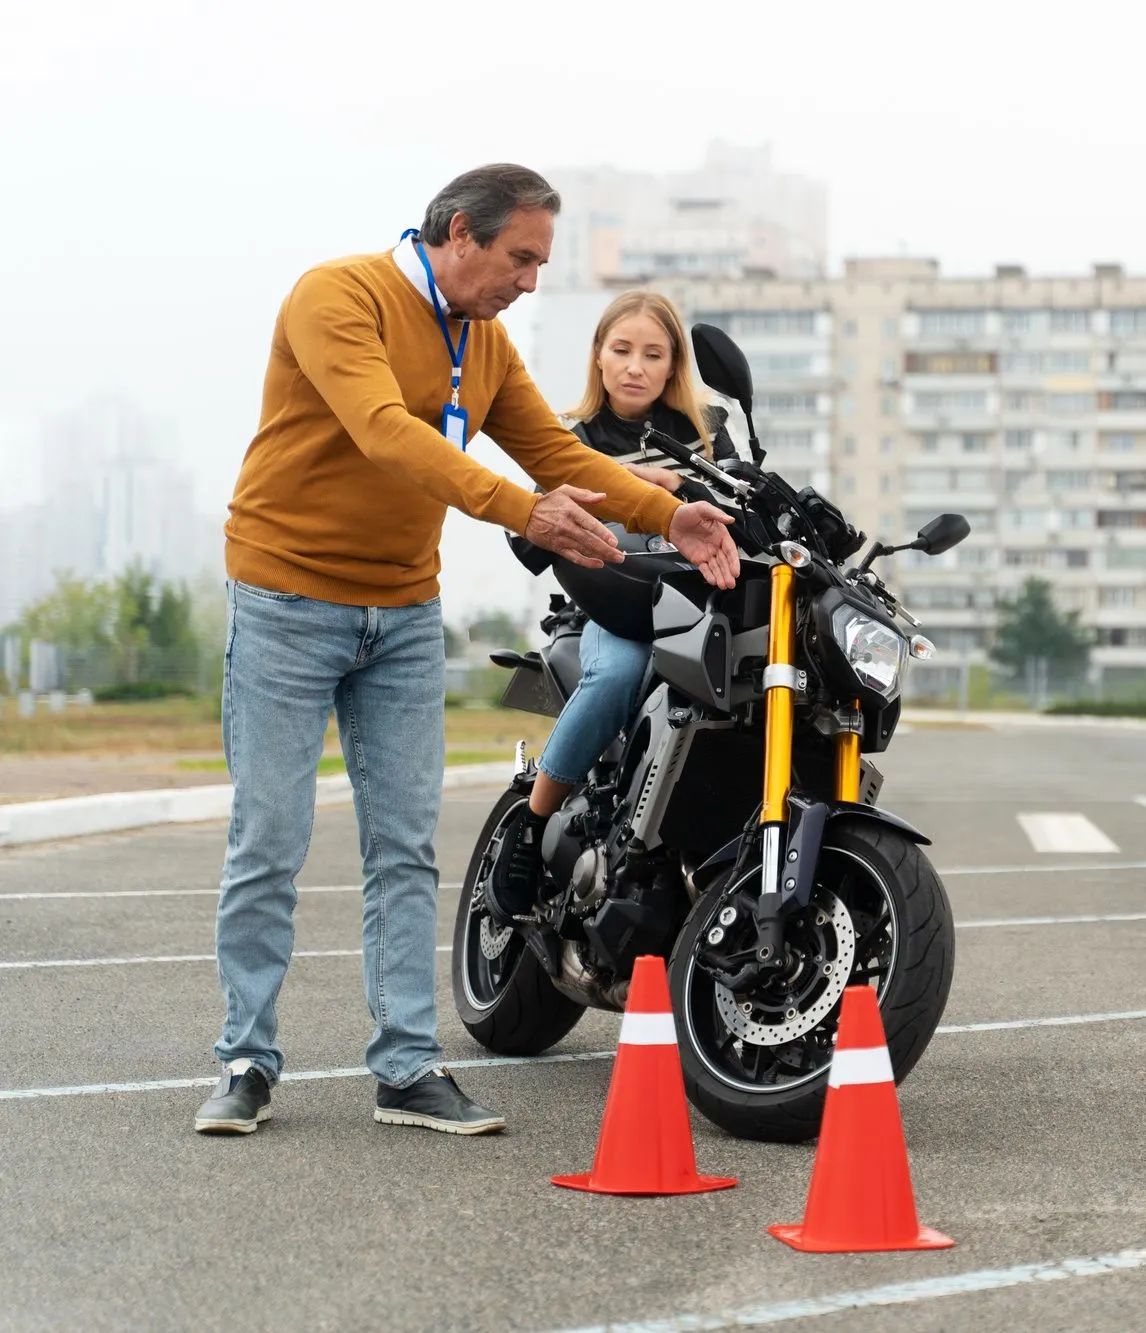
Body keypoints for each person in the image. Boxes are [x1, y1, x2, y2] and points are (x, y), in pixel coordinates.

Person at [197, 165, 740, 1138]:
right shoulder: (339, 296)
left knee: (404, 847)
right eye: (520, 258)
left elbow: (560, 455)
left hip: (402, 610)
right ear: (459, 232)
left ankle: (407, 1067)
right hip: (287, 596)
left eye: (540, 263)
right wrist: (523, 511)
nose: (529, 281)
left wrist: (671, 515)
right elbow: (386, 434)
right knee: (270, 838)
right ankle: (245, 1058)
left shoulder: (481, 340)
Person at [490, 290, 733, 915]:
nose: (635, 367)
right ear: (598, 355)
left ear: (673, 365)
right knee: (618, 675)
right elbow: (530, 534)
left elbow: (746, 506)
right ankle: (529, 827)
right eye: (621, 350)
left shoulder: (708, 434)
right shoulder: (572, 439)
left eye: (653, 354)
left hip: (700, 609)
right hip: (611, 609)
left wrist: (676, 481)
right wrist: (604, 492)